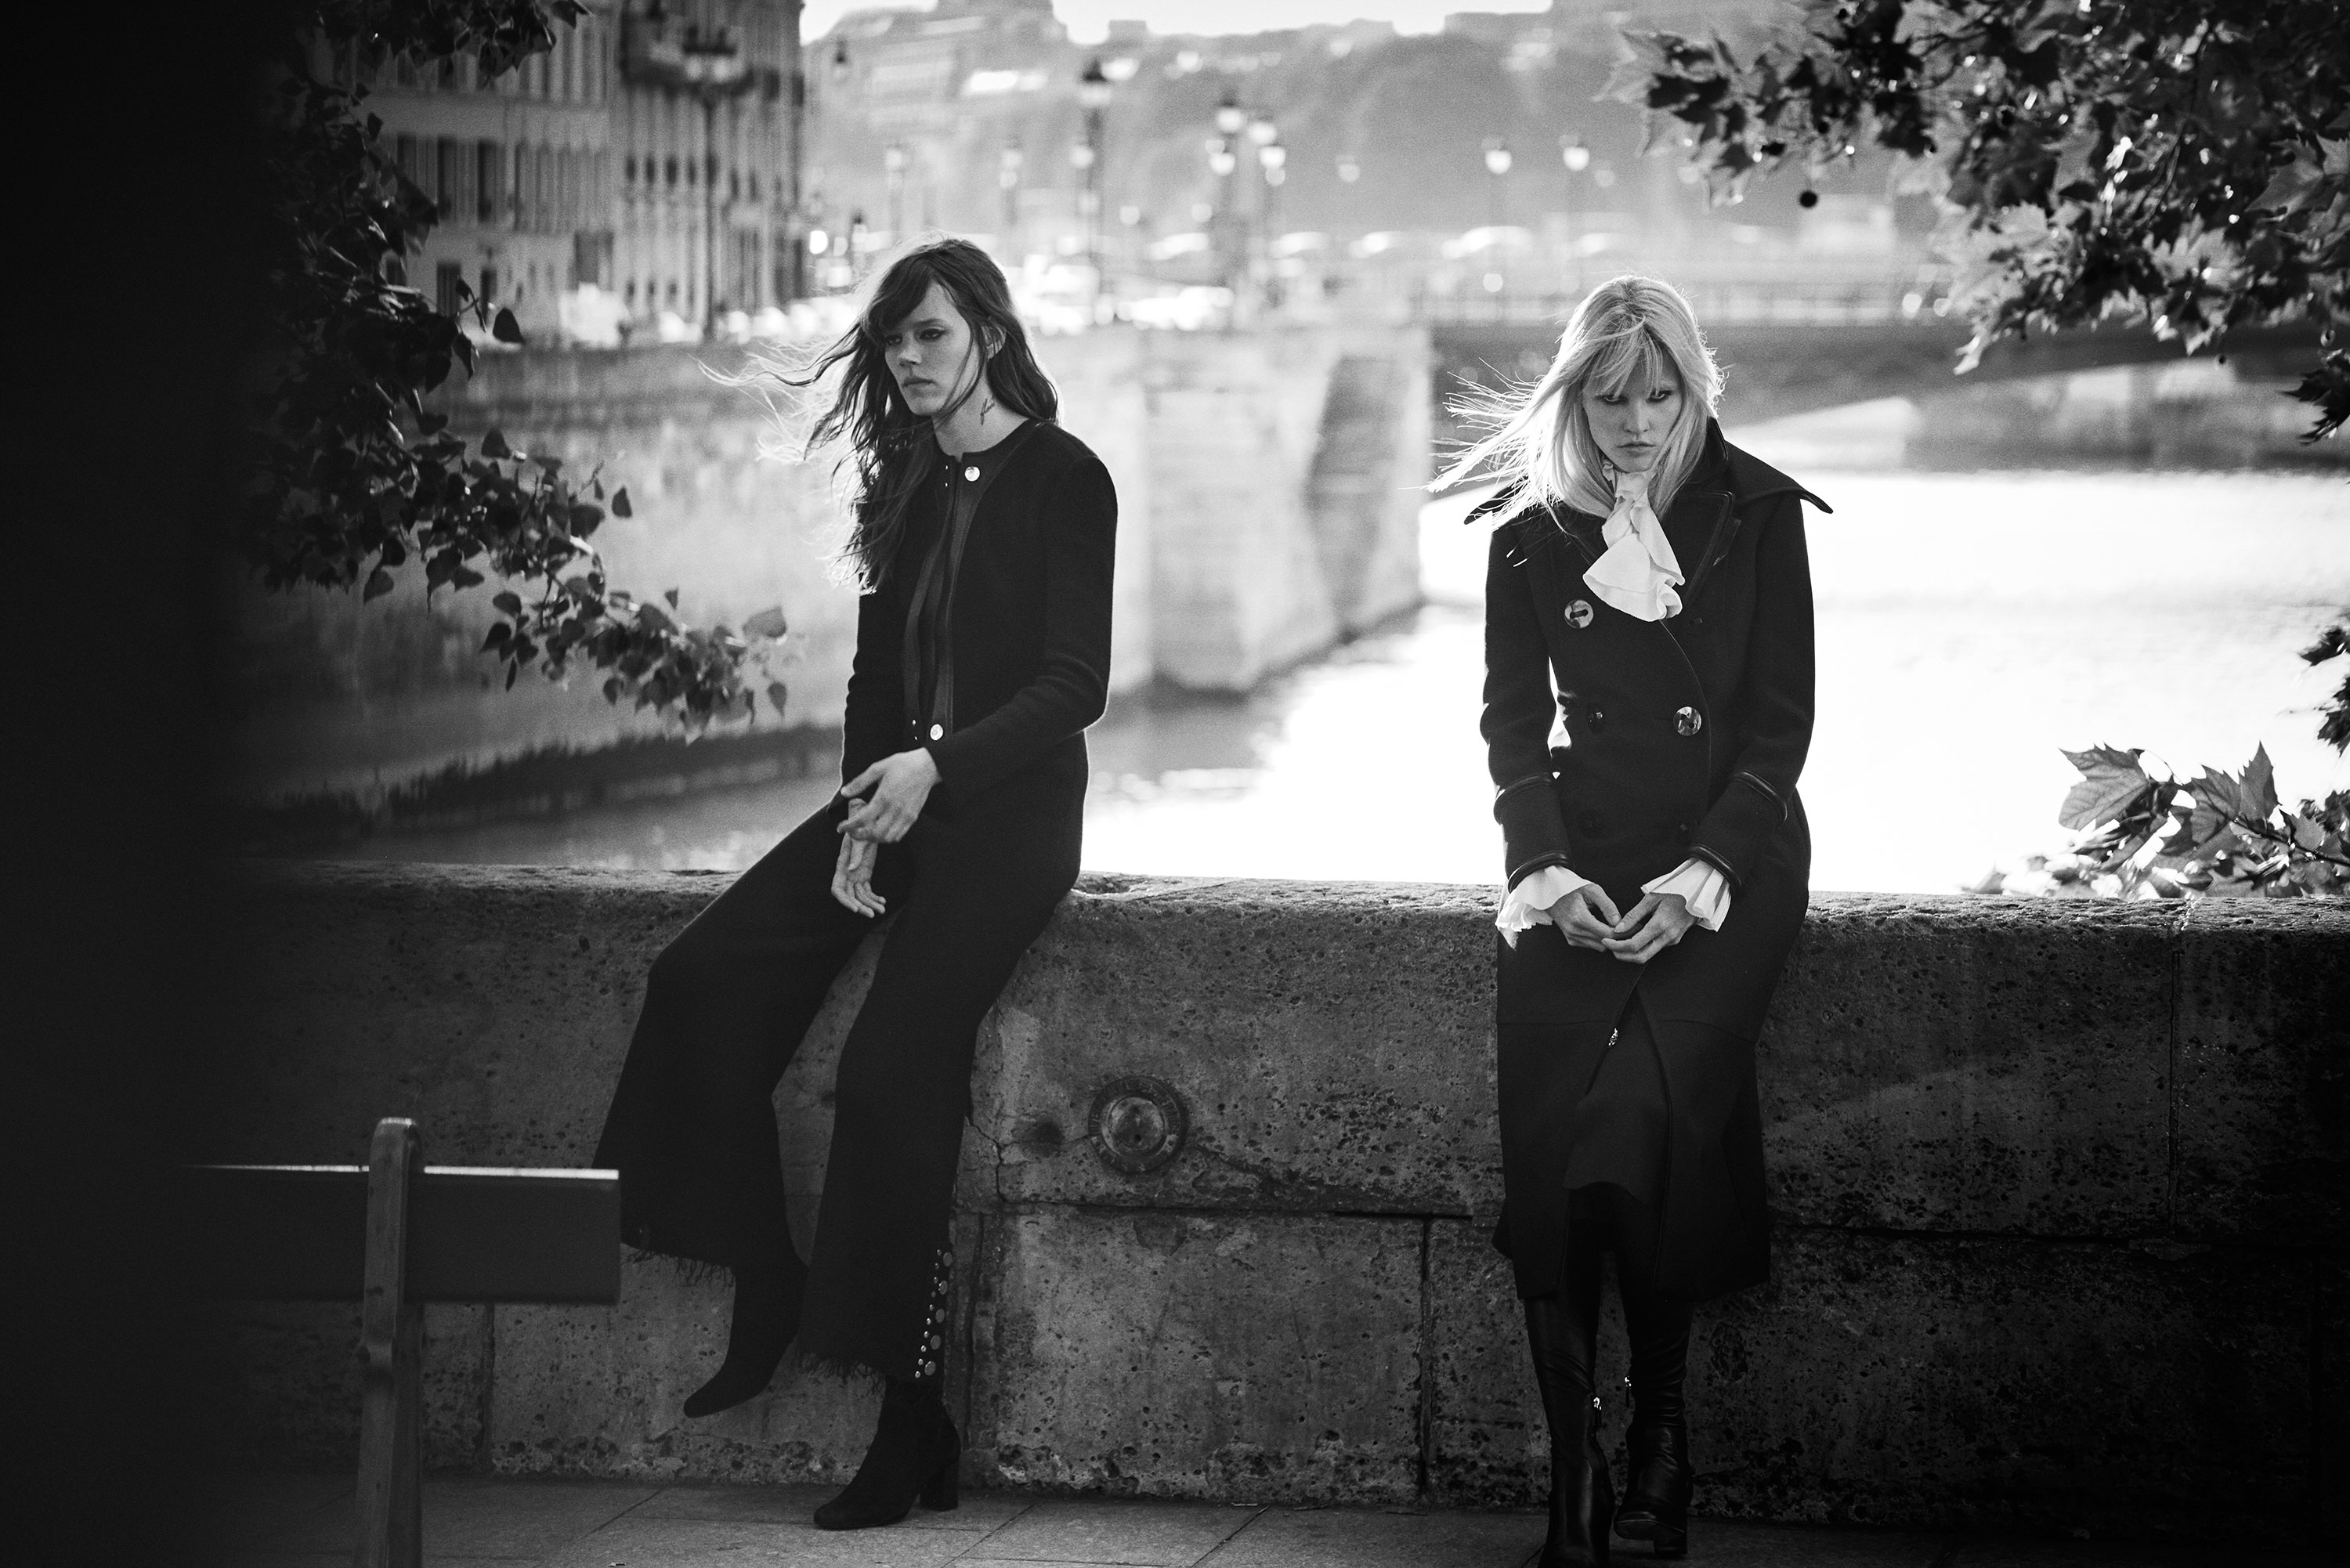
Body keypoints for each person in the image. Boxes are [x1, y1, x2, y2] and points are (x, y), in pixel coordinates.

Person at [591, 237, 1116, 1531]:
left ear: (990, 333)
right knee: (700, 975)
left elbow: (1075, 685)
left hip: (1009, 820)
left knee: (889, 1074)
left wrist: (937, 769)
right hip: (896, 799)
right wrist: (854, 817)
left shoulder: (1068, 477)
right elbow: (876, 680)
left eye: (931, 334)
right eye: (894, 340)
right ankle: (764, 1270)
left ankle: (910, 1414)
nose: (908, 359)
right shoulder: (908, 485)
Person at [1443, 275, 1826, 1566]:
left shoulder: (1758, 512)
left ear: (1694, 388)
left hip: (1734, 857)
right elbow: (1509, 727)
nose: (1639, 421)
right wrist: (1544, 869)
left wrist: (1702, 873)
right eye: (1611, 398)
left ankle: (1661, 1431)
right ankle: (1581, 1481)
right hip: (1581, 861)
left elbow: (1781, 726)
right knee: (1556, 1155)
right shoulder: (1526, 534)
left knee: (1635, 1123)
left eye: (1661, 393)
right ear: (1575, 398)